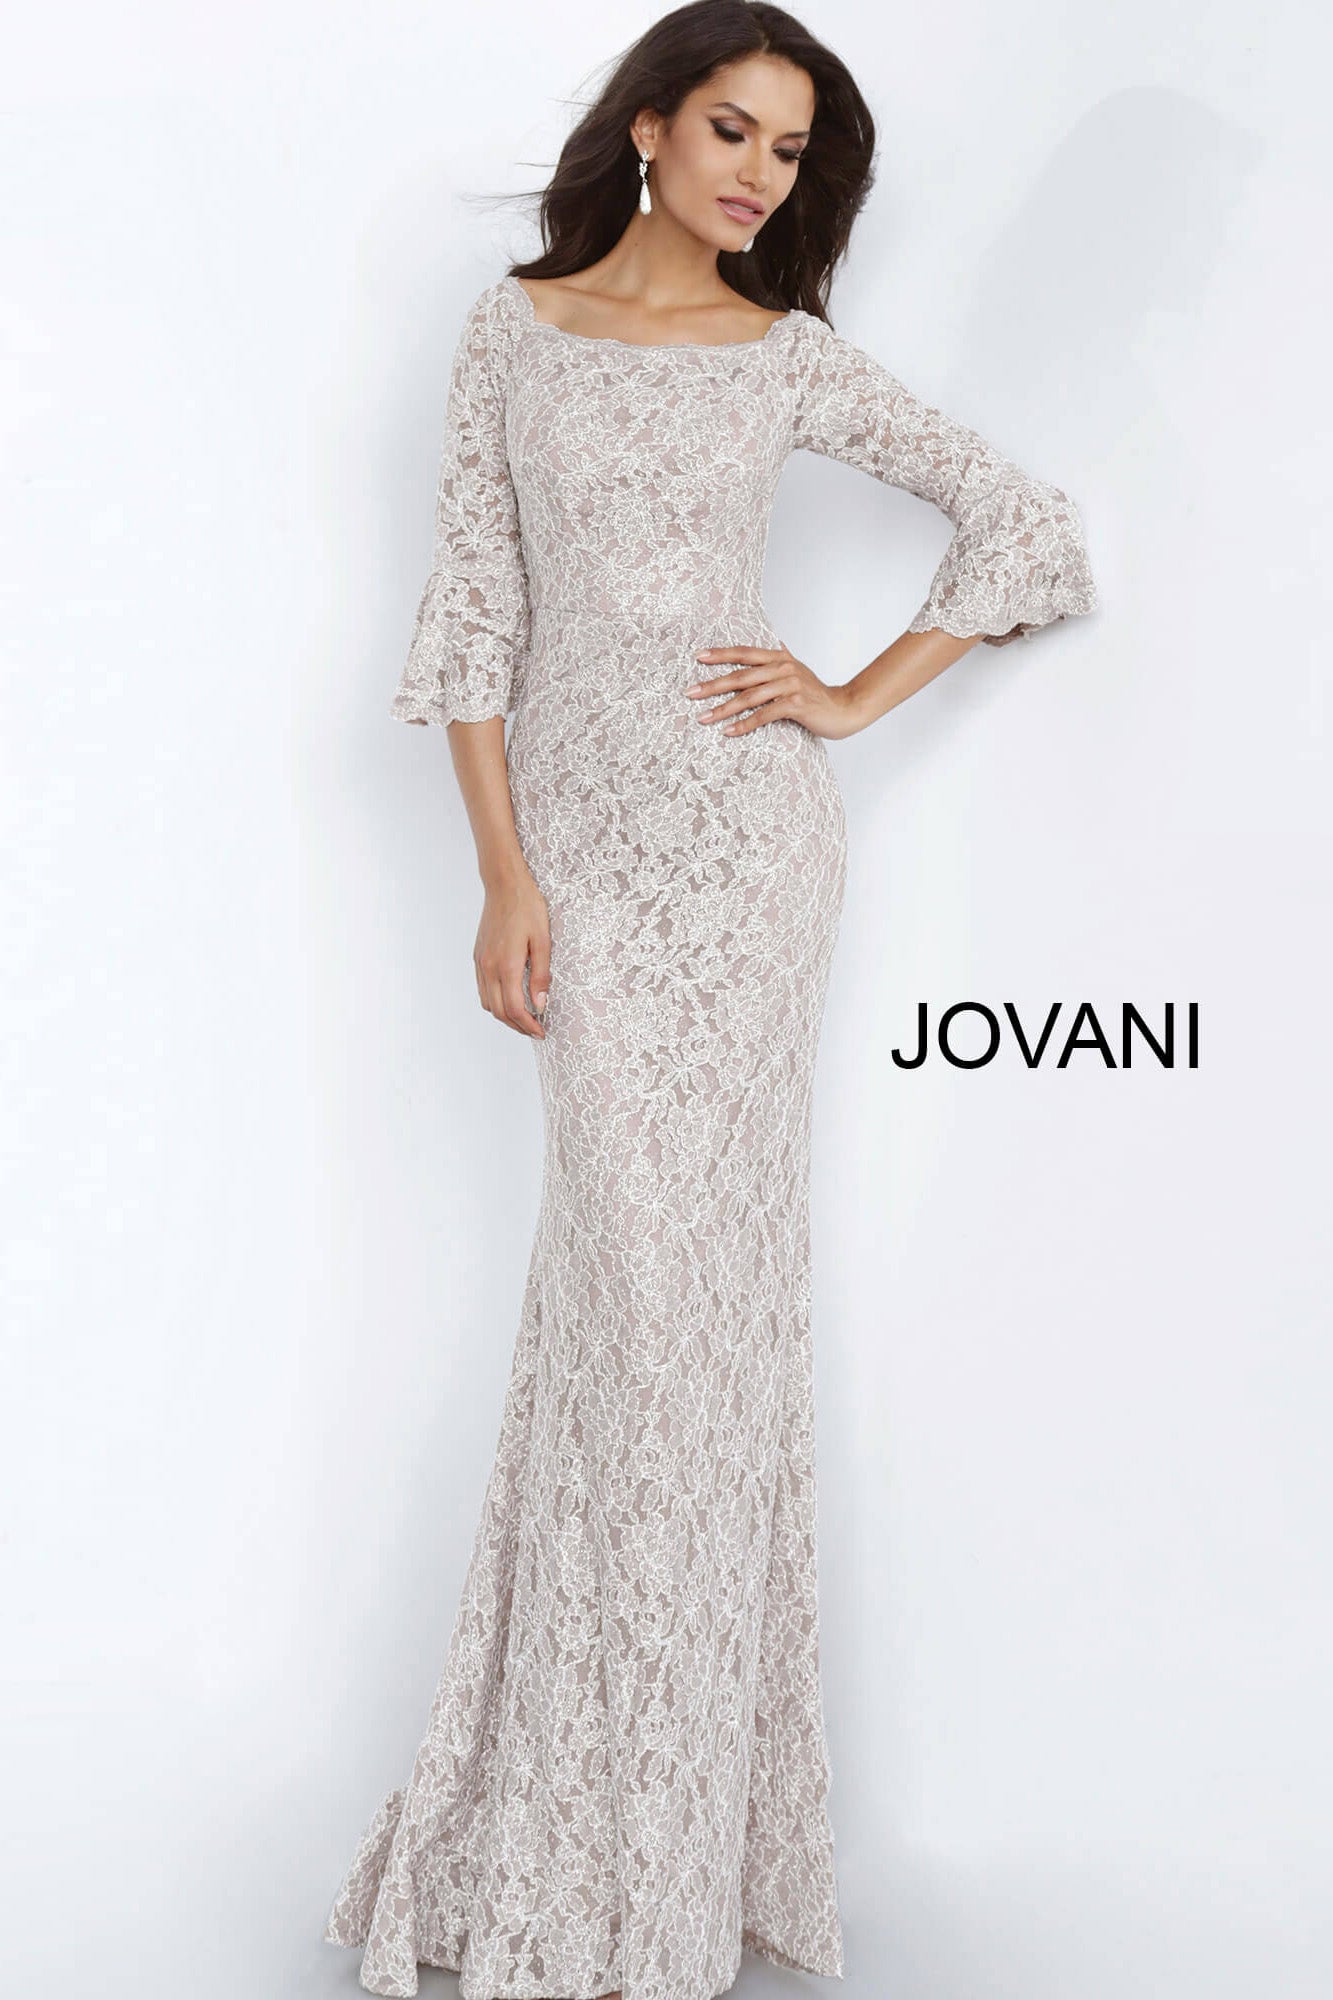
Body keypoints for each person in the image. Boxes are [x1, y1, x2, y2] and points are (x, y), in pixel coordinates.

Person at [324, 5, 1097, 1997]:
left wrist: (846, 696)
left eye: (794, 151)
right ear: (653, 126)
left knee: (691, 1326)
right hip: (582, 869)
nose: (762, 174)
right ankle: (559, 1846)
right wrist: (505, 875)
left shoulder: (786, 356)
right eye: (736, 130)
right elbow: (475, 610)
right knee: (622, 1316)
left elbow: (1024, 522)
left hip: (747, 869)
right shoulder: (512, 332)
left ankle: (665, 1871)